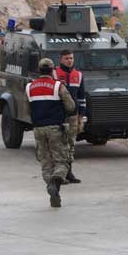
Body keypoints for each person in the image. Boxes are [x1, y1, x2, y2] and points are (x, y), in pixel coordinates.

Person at [25, 58, 76, 207]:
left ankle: (53, 190)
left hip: (38, 129)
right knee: (62, 161)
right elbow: (71, 106)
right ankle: (55, 183)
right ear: (52, 70)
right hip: (55, 128)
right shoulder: (58, 86)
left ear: (39, 70)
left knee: (46, 162)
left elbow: (26, 109)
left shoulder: (29, 87)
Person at [54, 49, 85, 184]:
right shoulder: (54, 73)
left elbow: (82, 97)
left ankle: (69, 173)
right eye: (66, 58)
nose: (69, 60)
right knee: (59, 145)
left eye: (71, 58)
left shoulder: (78, 75)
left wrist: (81, 117)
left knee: (71, 145)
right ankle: (59, 174)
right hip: (58, 116)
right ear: (61, 60)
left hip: (73, 116)